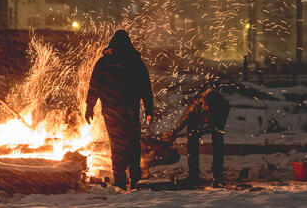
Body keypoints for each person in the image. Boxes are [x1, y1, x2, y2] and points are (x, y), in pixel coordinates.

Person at [84, 30, 154, 190]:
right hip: (129, 111)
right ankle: (134, 179)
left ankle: (121, 180)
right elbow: (145, 88)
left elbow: (94, 87)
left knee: (117, 146)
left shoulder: (104, 63)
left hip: (112, 112)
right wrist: (148, 109)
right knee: (133, 144)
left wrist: (90, 107)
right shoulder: (135, 63)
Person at [167, 85, 230, 185]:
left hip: (215, 119)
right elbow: (184, 120)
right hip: (197, 117)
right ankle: (193, 174)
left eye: (208, 107)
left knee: (217, 138)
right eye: (205, 106)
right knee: (192, 138)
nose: (206, 107)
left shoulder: (223, 107)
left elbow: (216, 127)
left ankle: (218, 173)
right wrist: (173, 132)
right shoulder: (195, 105)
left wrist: (203, 131)